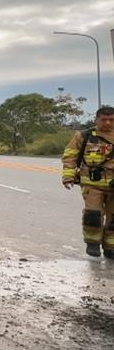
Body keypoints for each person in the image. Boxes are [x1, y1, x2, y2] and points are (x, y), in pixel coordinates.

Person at [62, 106, 114, 259]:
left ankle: (111, 247)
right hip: (92, 184)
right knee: (93, 214)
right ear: (96, 120)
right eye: (104, 120)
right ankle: (92, 243)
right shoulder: (84, 136)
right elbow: (70, 156)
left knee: (113, 219)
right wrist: (68, 176)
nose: (108, 123)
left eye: (111, 120)